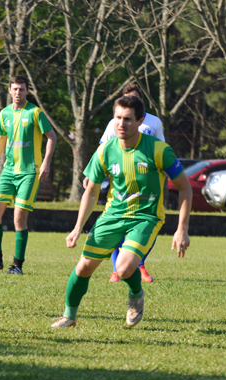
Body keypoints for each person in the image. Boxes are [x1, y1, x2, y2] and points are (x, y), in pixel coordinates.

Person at [50, 95, 192, 329]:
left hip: (146, 217)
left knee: (125, 268)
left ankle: (136, 295)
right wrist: (77, 228)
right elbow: (92, 192)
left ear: (140, 120)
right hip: (113, 216)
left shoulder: (158, 150)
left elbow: (185, 188)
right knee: (83, 267)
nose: (121, 124)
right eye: (117, 118)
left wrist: (182, 230)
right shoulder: (105, 150)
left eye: (127, 119)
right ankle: (69, 316)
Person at [0, 76, 57, 275]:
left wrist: (46, 162)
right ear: (9, 90)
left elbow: (52, 136)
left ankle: (17, 265)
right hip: (8, 171)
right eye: (14, 89)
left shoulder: (35, 112)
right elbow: (1, 138)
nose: (18, 92)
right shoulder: (4, 113)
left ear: (27, 91)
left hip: (29, 172)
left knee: (18, 219)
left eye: (21, 89)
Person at [98, 83, 165, 283]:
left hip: (147, 184)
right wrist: (94, 176)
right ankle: (115, 269)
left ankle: (140, 265)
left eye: (136, 99)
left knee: (146, 225)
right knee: (118, 223)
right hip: (121, 182)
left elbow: (162, 147)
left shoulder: (153, 122)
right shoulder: (115, 122)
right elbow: (103, 148)